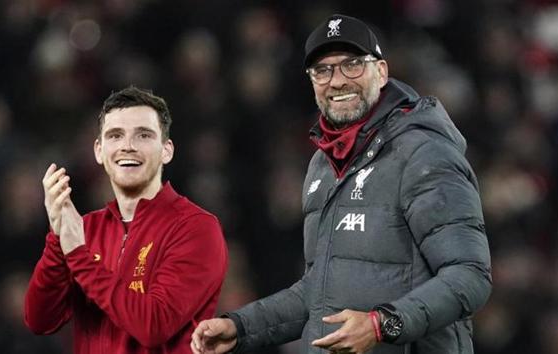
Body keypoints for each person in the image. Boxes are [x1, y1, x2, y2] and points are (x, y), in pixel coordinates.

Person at [191, 14, 491, 354]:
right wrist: (241, 327)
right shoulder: (323, 164)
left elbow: (469, 276)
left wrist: (381, 325)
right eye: (323, 70)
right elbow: (318, 291)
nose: (337, 81)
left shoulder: (423, 153)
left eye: (352, 65)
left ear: (381, 72)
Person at [25, 86, 228, 354]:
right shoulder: (85, 230)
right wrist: (57, 238)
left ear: (166, 150)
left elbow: (154, 325)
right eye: (115, 135)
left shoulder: (196, 227)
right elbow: (40, 320)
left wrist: (77, 254)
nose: (127, 146)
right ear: (99, 151)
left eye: (143, 135)